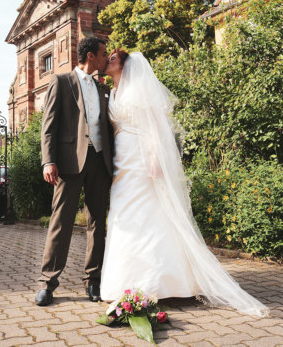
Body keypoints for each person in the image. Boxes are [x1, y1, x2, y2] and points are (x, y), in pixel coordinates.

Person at [100, 49, 268, 317]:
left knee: (151, 212)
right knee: (125, 214)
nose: (107, 61)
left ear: (124, 64)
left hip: (142, 156)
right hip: (122, 159)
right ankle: (126, 282)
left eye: (112, 58)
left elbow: (157, 126)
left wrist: (156, 157)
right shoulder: (112, 91)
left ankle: (166, 282)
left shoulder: (138, 90)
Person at [35, 37, 113, 306]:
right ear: (90, 56)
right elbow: (49, 126)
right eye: (103, 54)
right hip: (68, 162)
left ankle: (93, 281)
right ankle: (48, 283)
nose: (106, 59)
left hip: (99, 161)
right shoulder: (62, 81)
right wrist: (49, 160)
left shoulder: (103, 88)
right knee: (61, 222)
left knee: (97, 223)